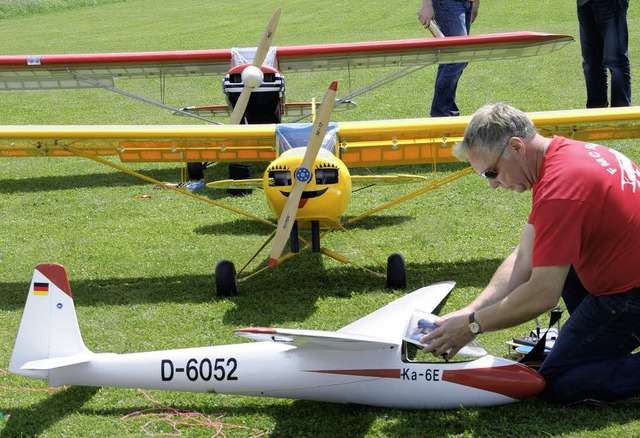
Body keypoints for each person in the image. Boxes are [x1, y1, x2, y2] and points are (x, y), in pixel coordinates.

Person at [420, 102, 640, 405]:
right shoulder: (562, 157)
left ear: (516, 146)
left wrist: (474, 325)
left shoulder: (560, 188)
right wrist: (469, 312)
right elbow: (525, 255)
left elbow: (542, 295)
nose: (493, 185)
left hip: (629, 296)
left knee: (559, 382)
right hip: (623, 278)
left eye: (492, 172)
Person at [417, 0, 480, 117]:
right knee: (457, 57)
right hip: (447, 3)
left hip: (465, 3)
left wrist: (475, 3)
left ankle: (446, 112)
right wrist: (426, 5)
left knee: (450, 59)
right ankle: (441, 113)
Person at [577, 0, 631, 108]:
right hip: (584, 3)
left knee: (616, 62)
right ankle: (596, 116)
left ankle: (620, 118)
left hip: (610, 3)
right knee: (591, 65)